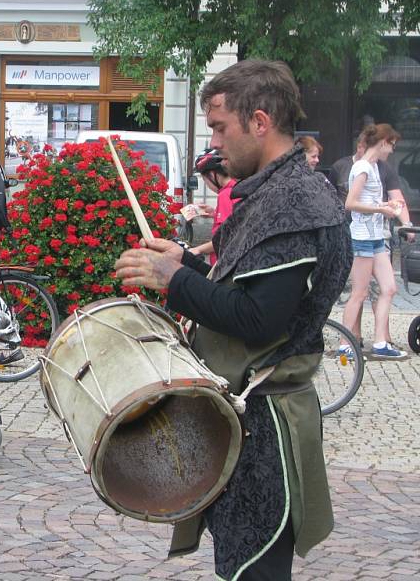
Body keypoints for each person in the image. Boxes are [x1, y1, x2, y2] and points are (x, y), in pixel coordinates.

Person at [115, 59, 351, 580]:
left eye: (221, 127)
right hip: (249, 416)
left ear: (260, 122)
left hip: (268, 428)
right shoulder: (275, 193)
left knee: (256, 571)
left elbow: (258, 318)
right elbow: (242, 283)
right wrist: (187, 263)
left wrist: (172, 281)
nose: (214, 142)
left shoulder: (296, 204)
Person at [329, 129, 412, 348]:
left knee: (389, 287)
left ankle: (380, 342)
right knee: (359, 292)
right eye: (392, 145)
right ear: (383, 143)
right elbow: (351, 204)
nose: (392, 150)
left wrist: (385, 206)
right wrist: (380, 209)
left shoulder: (375, 167)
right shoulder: (363, 167)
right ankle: (345, 344)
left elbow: (369, 201)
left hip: (375, 236)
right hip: (363, 237)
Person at [188, 148, 238, 265]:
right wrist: (214, 214)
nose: (208, 185)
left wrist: (197, 249)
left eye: (205, 181)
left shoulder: (225, 194)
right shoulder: (235, 188)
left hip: (223, 263)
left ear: (212, 175)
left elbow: (224, 239)